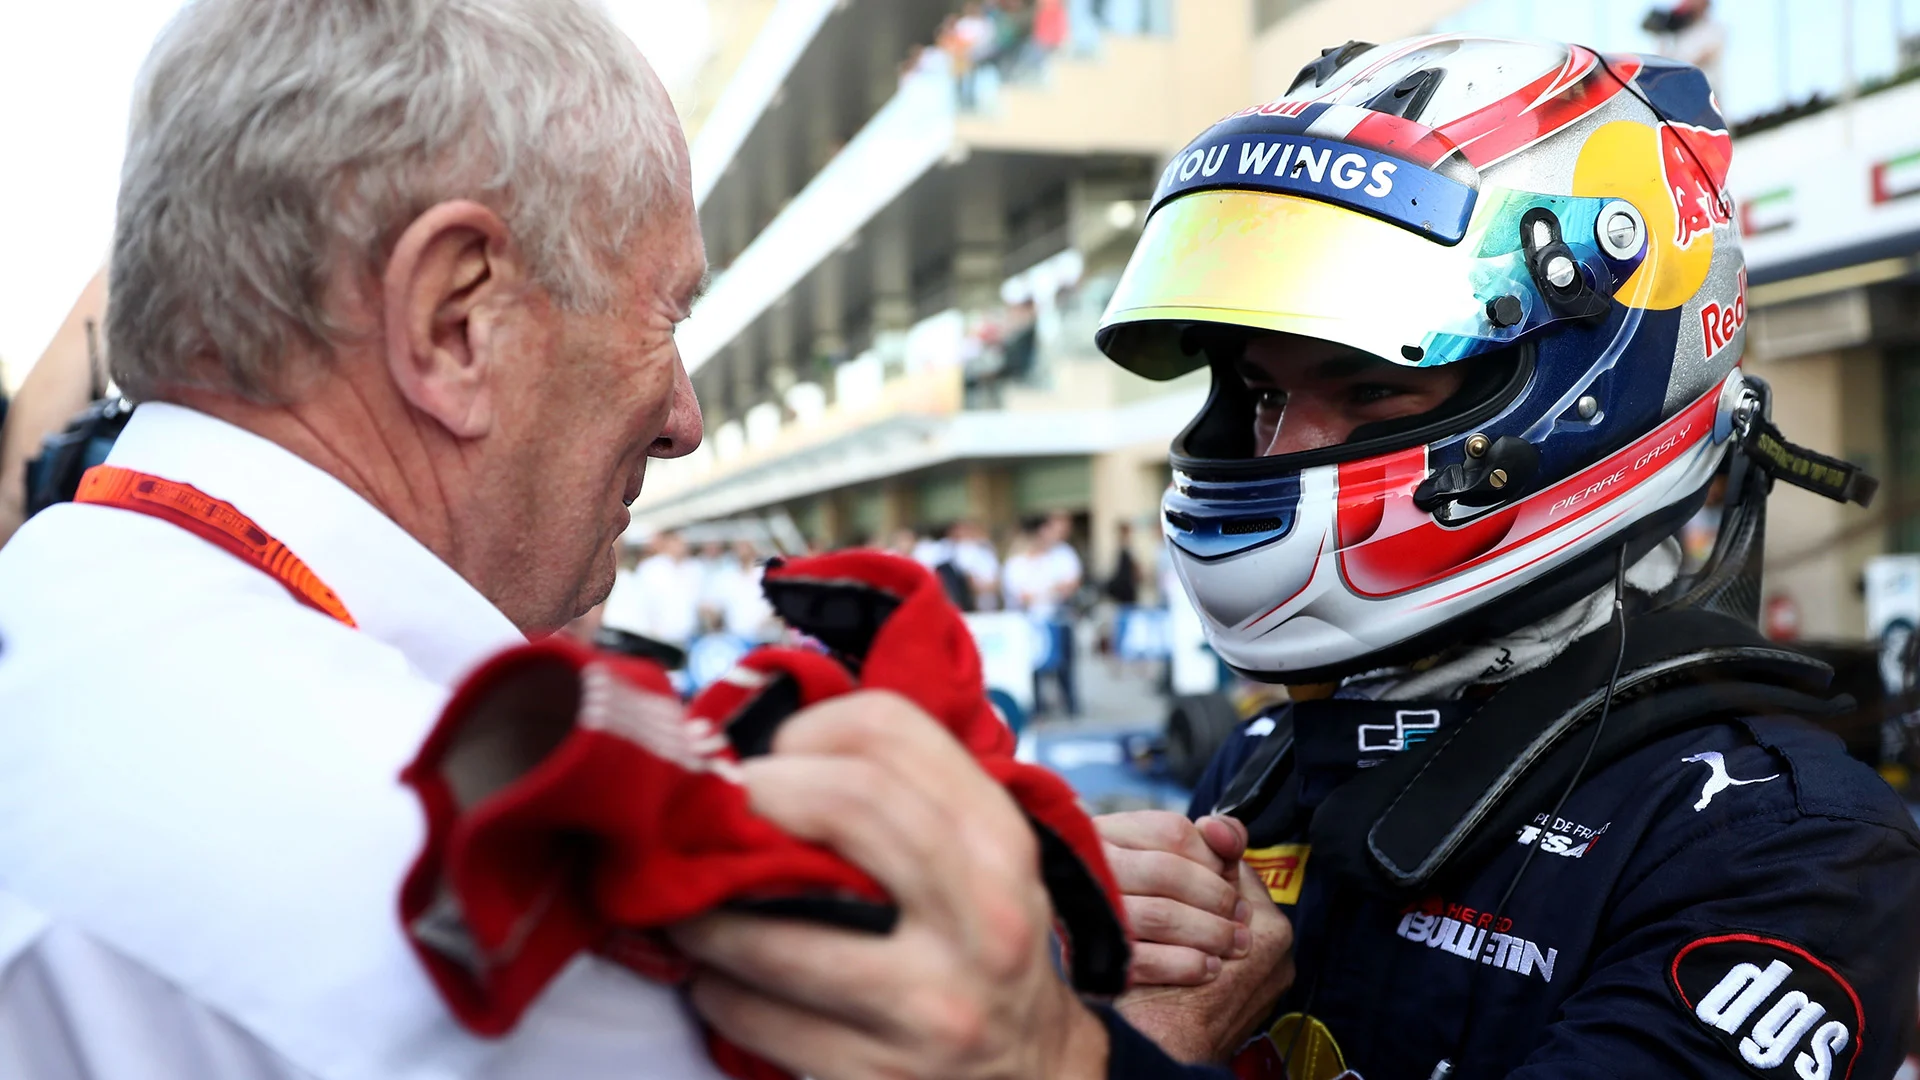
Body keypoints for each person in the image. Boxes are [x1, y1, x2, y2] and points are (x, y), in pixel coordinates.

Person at [1086, 35, 1920, 1078]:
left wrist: (1121, 1054)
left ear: (1587, 396)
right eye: (1261, 396)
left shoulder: (1779, 846)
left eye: (1370, 389)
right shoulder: (1271, 758)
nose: (1278, 450)